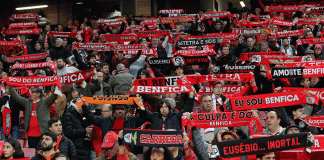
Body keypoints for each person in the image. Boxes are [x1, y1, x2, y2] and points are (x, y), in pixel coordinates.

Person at [62, 94, 93, 160]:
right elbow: (68, 132)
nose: (84, 109)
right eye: (83, 107)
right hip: (75, 148)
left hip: (82, 148)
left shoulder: (78, 116)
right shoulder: (68, 116)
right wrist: (85, 131)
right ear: (78, 107)